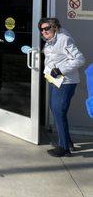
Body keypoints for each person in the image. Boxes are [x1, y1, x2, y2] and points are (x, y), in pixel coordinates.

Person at [38, 17, 86, 157]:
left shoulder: (64, 39)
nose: (44, 31)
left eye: (47, 28)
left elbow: (79, 59)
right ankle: (68, 142)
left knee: (59, 111)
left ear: (55, 27)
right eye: (42, 29)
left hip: (66, 82)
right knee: (56, 110)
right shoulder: (50, 41)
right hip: (55, 80)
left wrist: (60, 70)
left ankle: (64, 147)